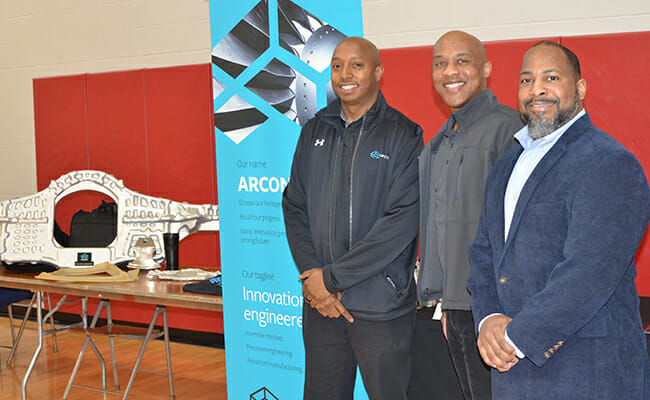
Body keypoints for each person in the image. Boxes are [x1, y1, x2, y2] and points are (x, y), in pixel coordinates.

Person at [467, 41, 650, 399]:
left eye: (551, 77)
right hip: (512, 371)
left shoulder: (609, 162)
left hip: (587, 373)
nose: (537, 89)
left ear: (580, 88)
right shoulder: (507, 164)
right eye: (526, 80)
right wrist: (488, 320)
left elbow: (590, 271)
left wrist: (515, 338)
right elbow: (484, 253)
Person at [282, 37, 423, 400]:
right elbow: (294, 205)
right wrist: (316, 281)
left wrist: (331, 278)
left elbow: (400, 223)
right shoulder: (314, 130)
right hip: (322, 308)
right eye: (337, 66)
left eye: (356, 65)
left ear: (377, 72)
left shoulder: (404, 135)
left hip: (380, 305)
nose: (345, 74)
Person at [415, 30, 523, 400]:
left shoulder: (507, 128)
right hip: (457, 306)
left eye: (462, 61)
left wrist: (502, 311)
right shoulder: (442, 140)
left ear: (486, 68)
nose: (450, 71)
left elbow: (519, 228)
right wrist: (447, 301)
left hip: (493, 309)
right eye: (440, 63)